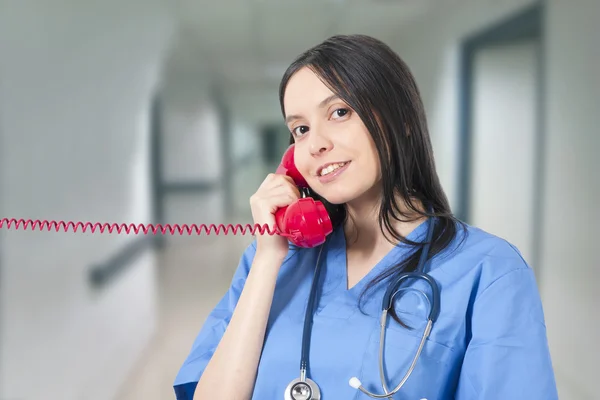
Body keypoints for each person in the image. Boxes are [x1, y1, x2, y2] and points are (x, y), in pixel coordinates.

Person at [173, 34, 558, 400]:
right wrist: (269, 255)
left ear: (401, 119)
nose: (317, 143)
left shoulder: (489, 273)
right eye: (301, 129)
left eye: (340, 112)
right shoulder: (272, 260)